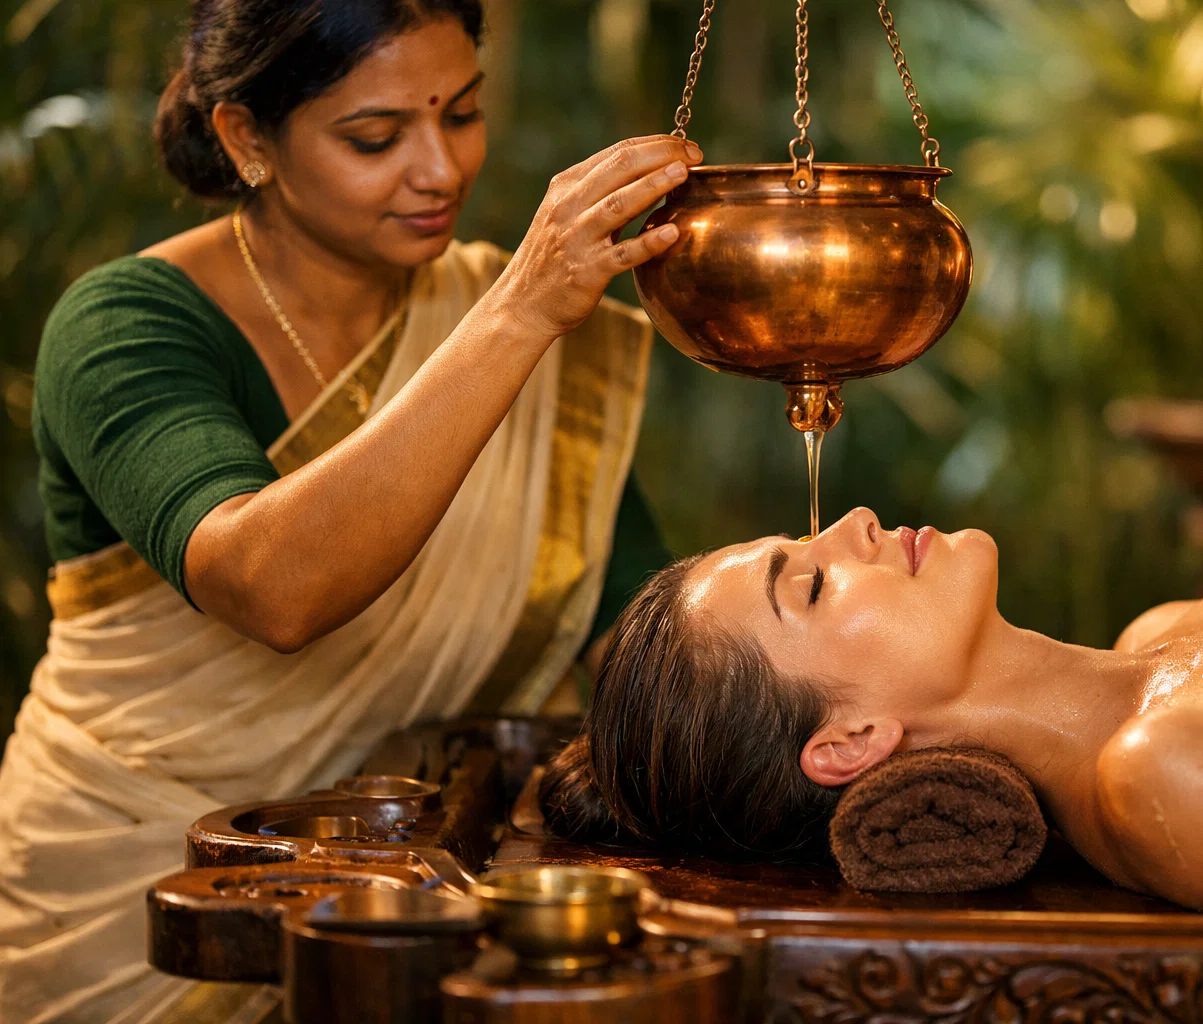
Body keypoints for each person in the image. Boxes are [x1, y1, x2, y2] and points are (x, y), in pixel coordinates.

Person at [0, 0, 698, 1019]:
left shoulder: (494, 328)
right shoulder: (123, 327)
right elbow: (273, 589)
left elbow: (631, 630)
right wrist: (519, 311)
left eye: (461, 115)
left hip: (404, 894)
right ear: (247, 139)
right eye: (376, 137)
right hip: (126, 895)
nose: (440, 170)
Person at [542, 507, 1203, 914]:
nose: (853, 524)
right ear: (851, 741)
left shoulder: (1168, 634)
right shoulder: (1169, 778)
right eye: (809, 586)